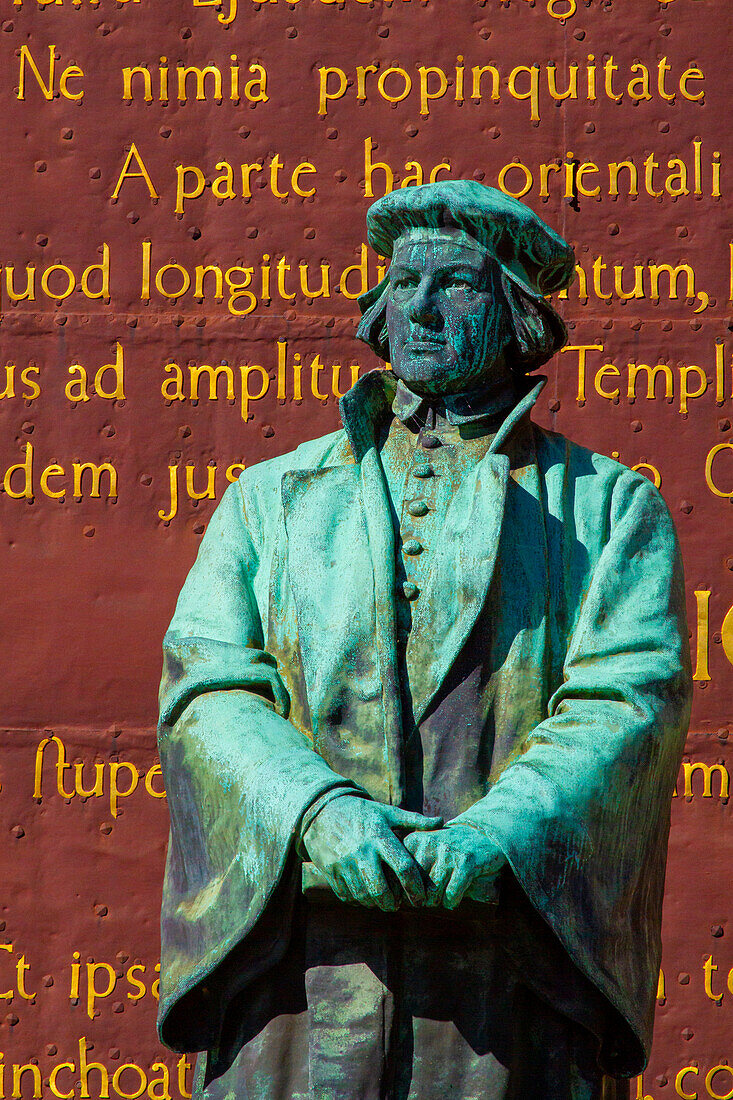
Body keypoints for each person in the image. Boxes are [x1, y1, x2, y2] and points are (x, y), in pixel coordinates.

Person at [156, 181, 692, 1100]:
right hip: (304, 974)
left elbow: (626, 701)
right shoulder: (271, 500)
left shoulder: (606, 510)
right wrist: (316, 813)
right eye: (404, 283)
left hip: (501, 982)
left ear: (518, 314)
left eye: (457, 284)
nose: (422, 308)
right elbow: (210, 691)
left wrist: (501, 832)